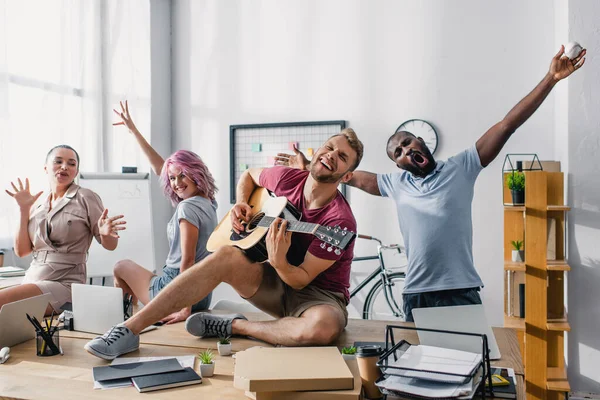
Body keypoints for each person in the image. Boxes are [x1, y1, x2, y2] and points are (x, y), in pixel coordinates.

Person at [277, 45, 586, 322]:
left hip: (459, 289)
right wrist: (307, 168)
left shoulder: (462, 166)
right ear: (397, 164)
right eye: (397, 152)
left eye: (408, 142)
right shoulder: (395, 183)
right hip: (416, 294)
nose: (405, 150)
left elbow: (507, 124)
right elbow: (341, 175)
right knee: (424, 376)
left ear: (421, 142)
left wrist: (551, 78)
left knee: (468, 372)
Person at [84, 128, 363, 360]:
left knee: (323, 328)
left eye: (341, 157)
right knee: (227, 254)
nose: (330, 156)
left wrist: (279, 261)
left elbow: (301, 281)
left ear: (347, 175)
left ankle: (236, 326)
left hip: (318, 296)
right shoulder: (288, 177)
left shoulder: (339, 222)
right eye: (329, 148)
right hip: (275, 284)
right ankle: (128, 330)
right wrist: (242, 202)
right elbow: (249, 176)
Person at [110, 101, 218, 325]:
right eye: (172, 178)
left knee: (120, 267)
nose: (177, 183)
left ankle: (123, 326)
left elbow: (187, 261)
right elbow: (162, 168)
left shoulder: (187, 208)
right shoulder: (208, 202)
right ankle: (138, 318)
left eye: (182, 176)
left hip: (176, 290)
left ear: (195, 174)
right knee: (140, 274)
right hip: (203, 294)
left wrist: (185, 309)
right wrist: (134, 132)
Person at [2, 145, 126, 315]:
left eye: (71, 163)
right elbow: (22, 251)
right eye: (58, 161)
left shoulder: (86, 197)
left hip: (65, 283)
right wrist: (24, 210)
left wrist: (106, 234)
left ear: (76, 171)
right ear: (46, 168)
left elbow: (110, 245)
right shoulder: (37, 203)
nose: (64, 166)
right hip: (33, 278)